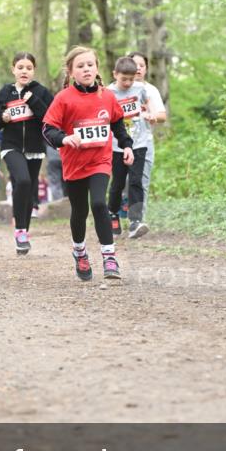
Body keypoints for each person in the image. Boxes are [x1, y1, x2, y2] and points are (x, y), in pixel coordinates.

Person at [43, 46, 134, 283]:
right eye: (80, 66)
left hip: (100, 161)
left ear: (97, 68)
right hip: (74, 164)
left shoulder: (107, 96)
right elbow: (48, 129)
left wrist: (126, 146)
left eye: (90, 65)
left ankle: (109, 256)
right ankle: (80, 251)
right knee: (80, 212)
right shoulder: (63, 98)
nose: (86, 69)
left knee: (98, 204)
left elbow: (117, 125)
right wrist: (64, 138)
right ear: (71, 72)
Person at [0, 52, 54, 255]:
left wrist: (33, 100)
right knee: (23, 181)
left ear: (33, 70)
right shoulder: (6, 92)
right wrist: (3, 116)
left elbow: (50, 117)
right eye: (20, 67)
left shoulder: (41, 92)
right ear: (13, 69)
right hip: (11, 146)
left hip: (34, 148)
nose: (24, 71)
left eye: (28, 68)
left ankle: (23, 234)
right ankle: (19, 230)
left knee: (28, 189)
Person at [107, 56, 153, 239]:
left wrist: (149, 114)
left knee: (136, 181)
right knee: (118, 183)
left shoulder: (140, 88)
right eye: (123, 79)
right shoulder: (108, 93)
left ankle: (135, 221)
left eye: (131, 79)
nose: (127, 83)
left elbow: (146, 105)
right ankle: (112, 214)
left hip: (139, 142)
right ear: (115, 75)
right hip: (117, 146)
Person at [128, 51, 167, 221]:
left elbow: (162, 116)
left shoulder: (151, 90)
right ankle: (120, 208)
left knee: (142, 181)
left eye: (141, 65)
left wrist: (153, 116)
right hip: (120, 144)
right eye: (134, 65)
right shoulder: (116, 88)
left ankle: (138, 220)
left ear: (146, 69)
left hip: (145, 142)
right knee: (123, 182)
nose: (138, 69)